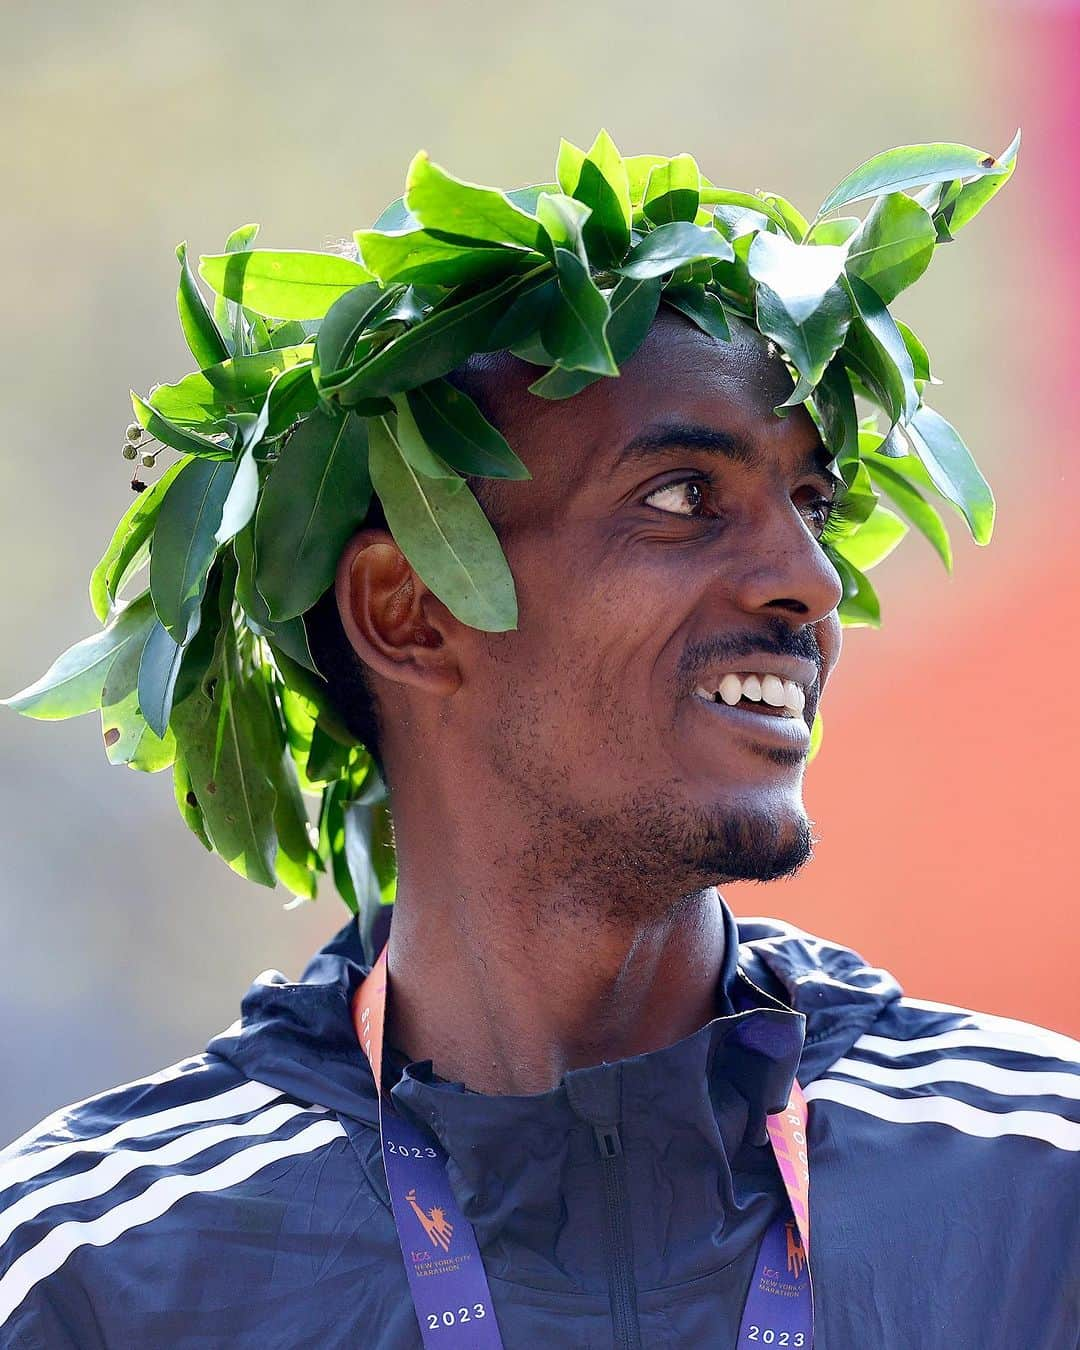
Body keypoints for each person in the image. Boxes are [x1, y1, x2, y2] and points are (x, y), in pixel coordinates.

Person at [1, 133, 1076, 1349]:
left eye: (811, 505)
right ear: (408, 611)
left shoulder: (1041, 1195)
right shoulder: (101, 1275)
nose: (812, 583)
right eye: (681, 497)